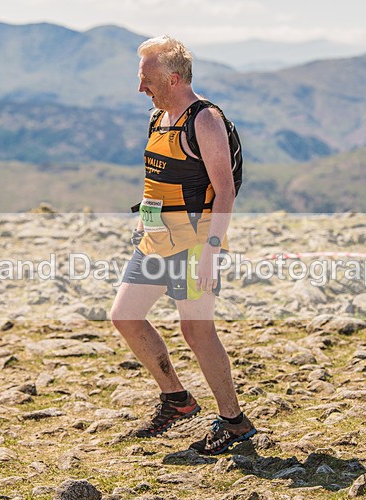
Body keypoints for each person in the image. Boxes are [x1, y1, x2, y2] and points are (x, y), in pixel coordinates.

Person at [110, 35, 255, 455]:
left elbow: (224, 191)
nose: (141, 88)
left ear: (173, 79)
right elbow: (158, 180)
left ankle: (234, 422)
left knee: (196, 330)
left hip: (193, 243)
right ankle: (177, 399)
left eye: (147, 79)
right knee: (125, 316)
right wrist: (144, 220)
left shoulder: (204, 120)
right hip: (156, 240)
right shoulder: (159, 118)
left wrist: (211, 252)